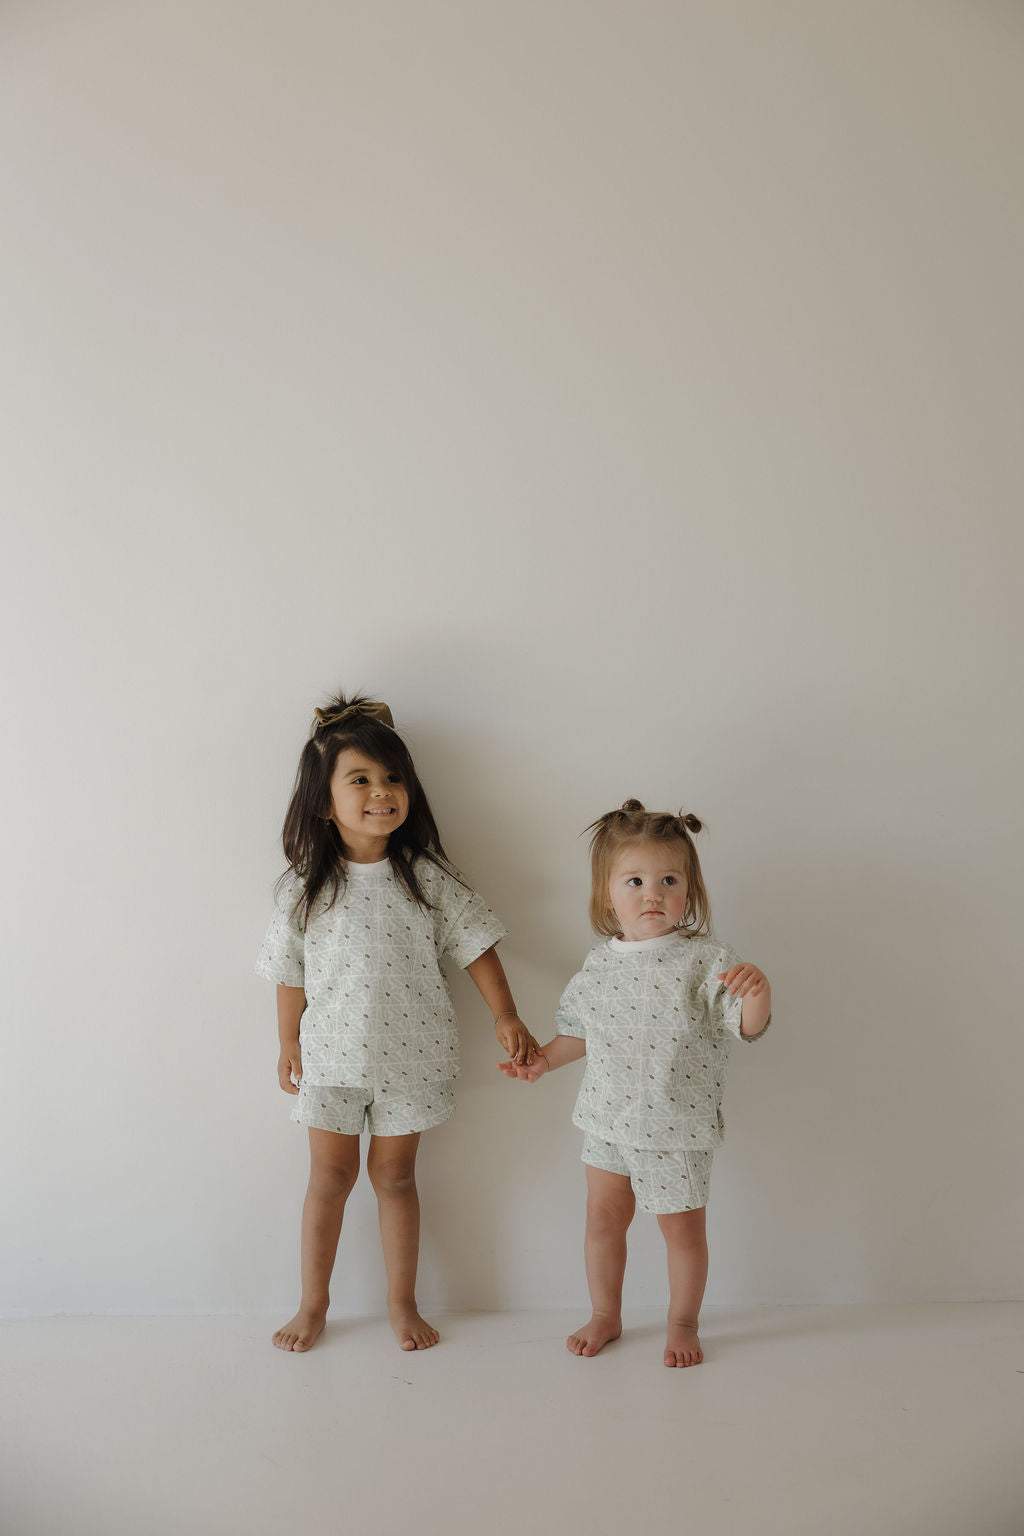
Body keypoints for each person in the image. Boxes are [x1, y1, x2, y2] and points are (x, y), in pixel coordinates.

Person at [257, 693, 537, 1353]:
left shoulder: (427, 879)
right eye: (360, 780)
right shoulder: (305, 888)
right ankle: (313, 1303)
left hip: (411, 1060)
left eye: (392, 778)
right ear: (325, 802)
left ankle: (402, 1302)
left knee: (396, 1178)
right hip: (329, 1060)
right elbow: (288, 971)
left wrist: (506, 1013)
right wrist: (286, 1041)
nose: (381, 791)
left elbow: (477, 946)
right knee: (328, 1179)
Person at [499, 799, 771, 1368]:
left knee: (682, 1233)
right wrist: (543, 1060)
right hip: (607, 1120)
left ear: (689, 891)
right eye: (636, 880)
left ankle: (682, 1321)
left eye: (669, 880)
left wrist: (757, 996)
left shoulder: (707, 961)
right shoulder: (599, 967)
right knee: (603, 1220)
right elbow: (579, 1033)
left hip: (677, 1125)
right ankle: (606, 1313)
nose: (653, 893)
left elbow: (744, 1027)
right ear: (608, 895)